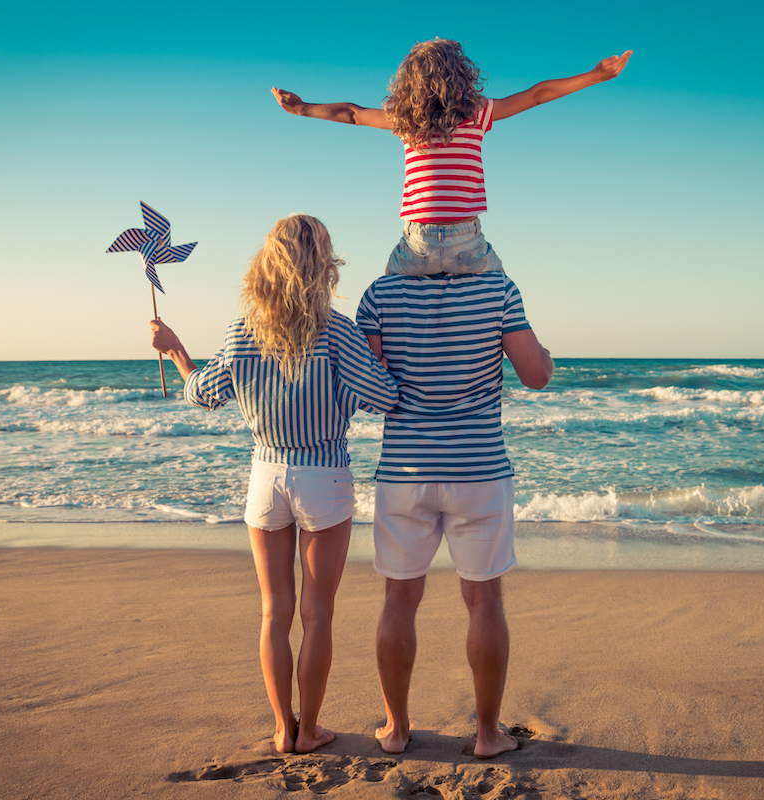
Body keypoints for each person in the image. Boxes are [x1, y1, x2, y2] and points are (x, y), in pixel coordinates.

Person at [150, 214, 398, 754]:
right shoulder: (337, 331)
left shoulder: (244, 331)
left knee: (274, 612)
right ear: (322, 266)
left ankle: (284, 730)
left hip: (265, 476)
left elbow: (202, 392)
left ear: (267, 264)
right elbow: (385, 396)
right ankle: (310, 729)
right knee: (317, 614)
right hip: (325, 476)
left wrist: (174, 350)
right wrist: (380, 354)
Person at [355, 267, 554, 758]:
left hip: (405, 471)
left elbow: (368, 388)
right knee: (484, 602)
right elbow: (537, 375)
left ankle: (397, 730)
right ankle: (488, 735)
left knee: (399, 601)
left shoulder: (380, 294)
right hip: (479, 469)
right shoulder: (499, 289)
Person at [272, 39, 631, 276]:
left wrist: (303, 108)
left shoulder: (404, 118)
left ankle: (377, 377)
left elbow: (351, 113)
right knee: (504, 298)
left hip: (417, 245)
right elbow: (537, 94)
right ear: (461, 74)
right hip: (468, 244)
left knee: (382, 304)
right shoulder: (478, 111)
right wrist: (596, 76)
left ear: (409, 81)